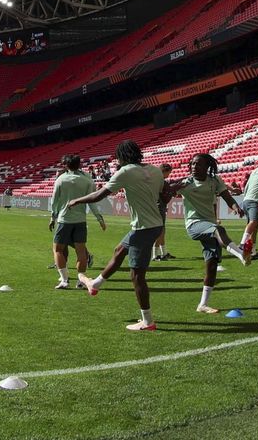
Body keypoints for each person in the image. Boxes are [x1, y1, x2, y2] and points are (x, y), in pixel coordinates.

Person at [69, 140, 169, 331]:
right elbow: (163, 194)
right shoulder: (155, 170)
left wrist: (76, 200)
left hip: (143, 228)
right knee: (119, 250)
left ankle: (147, 321)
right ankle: (96, 284)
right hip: (154, 224)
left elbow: (99, 195)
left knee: (137, 276)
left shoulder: (126, 172)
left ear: (122, 156)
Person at [166, 153, 247, 314]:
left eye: (198, 164)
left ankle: (202, 304)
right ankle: (241, 254)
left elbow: (226, 196)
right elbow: (167, 192)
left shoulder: (215, 180)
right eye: (192, 164)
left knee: (211, 264)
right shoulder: (186, 183)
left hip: (209, 225)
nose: (194, 167)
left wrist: (235, 206)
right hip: (194, 225)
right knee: (219, 230)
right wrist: (169, 191)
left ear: (207, 167)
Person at [48, 153, 107, 289]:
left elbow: (55, 201)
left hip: (65, 219)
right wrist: (99, 218)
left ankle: (64, 280)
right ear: (79, 164)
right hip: (81, 220)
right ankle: (81, 281)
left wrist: (53, 217)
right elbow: (92, 201)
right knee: (81, 252)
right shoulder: (87, 180)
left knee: (58, 250)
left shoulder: (61, 179)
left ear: (66, 165)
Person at [151, 163, 174, 261]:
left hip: (159, 206)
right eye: (168, 173)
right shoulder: (159, 181)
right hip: (158, 207)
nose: (169, 175)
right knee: (160, 231)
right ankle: (155, 255)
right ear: (164, 171)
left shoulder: (156, 180)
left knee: (162, 231)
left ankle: (164, 253)